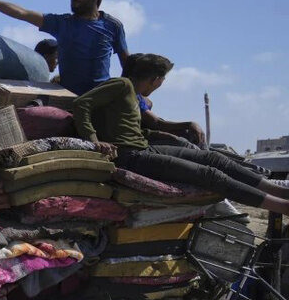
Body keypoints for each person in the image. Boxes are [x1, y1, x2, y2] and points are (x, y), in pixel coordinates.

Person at [71, 54, 289, 214]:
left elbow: (123, 127)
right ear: (156, 79)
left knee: (212, 158)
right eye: (162, 81)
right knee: (209, 175)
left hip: (143, 147)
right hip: (130, 156)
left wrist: (161, 134)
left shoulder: (132, 93)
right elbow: (82, 104)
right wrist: (94, 140)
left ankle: (277, 191)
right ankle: (282, 207)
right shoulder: (121, 85)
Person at [0, 0, 129, 95]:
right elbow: (22, 13)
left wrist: (126, 94)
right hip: (68, 95)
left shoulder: (112, 25)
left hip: (101, 95)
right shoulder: (62, 23)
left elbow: (127, 63)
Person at [118, 53, 206, 146]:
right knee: (186, 140)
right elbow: (155, 122)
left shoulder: (135, 94)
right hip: (135, 143)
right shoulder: (126, 92)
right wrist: (188, 124)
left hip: (140, 138)